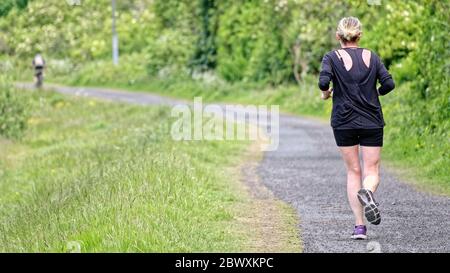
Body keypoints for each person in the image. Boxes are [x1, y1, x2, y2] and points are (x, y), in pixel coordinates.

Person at [318, 17, 395, 240]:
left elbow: (323, 83)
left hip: (344, 121)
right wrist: (375, 94)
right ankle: (368, 193)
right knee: (372, 171)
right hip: (371, 120)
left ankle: (359, 227)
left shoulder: (331, 57)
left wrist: (326, 94)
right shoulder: (372, 56)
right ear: (359, 35)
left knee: (353, 172)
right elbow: (389, 84)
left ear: (338, 36)